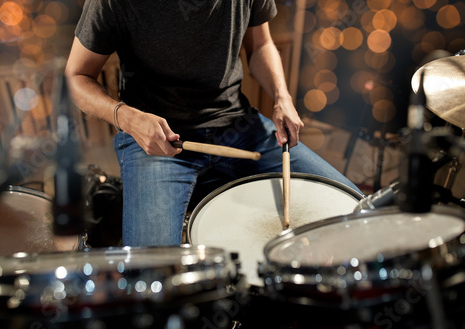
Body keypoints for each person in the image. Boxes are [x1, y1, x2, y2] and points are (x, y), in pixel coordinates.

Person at [65, 0, 362, 247]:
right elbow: (76, 77)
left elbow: (260, 46)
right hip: (158, 140)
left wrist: (281, 96)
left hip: (241, 128)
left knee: (357, 212)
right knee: (153, 274)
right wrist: (127, 116)